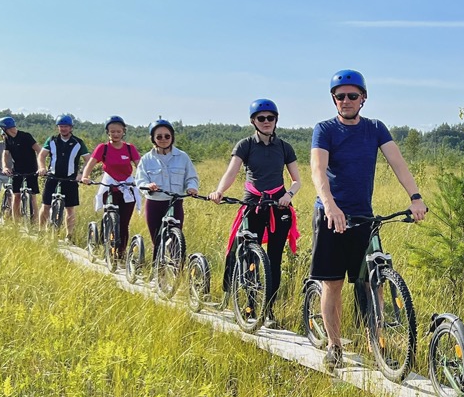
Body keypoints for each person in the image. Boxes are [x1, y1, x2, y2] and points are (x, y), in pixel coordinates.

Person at [309, 70, 426, 371]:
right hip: (332, 216)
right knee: (332, 285)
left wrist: (415, 197)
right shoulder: (325, 129)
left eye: (352, 95)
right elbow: (318, 172)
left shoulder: (375, 128)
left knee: (374, 282)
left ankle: (378, 343)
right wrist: (331, 207)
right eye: (340, 96)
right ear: (333, 100)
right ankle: (335, 346)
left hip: (363, 215)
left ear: (363, 98)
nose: (346, 101)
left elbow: (397, 162)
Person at [208, 99, 301, 328]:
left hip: (278, 204)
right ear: (253, 121)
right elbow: (232, 172)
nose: (266, 122)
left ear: (276, 120)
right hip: (252, 203)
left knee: (275, 260)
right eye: (261, 118)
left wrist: (289, 194)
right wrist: (219, 191)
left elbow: (297, 180)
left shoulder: (284, 147)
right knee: (250, 256)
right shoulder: (245, 145)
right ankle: (250, 308)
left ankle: (269, 311)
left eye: (270, 118)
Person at [80, 116, 141, 264]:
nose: (115, 134)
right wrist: (85, 176)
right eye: (112, 131)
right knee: (110, 213)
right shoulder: (103, 148)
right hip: (110, 185)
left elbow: (140, 165)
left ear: (123, 132)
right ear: (108, 132)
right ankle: (104, 242)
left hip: (127, 185)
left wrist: (146, 180)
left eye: (118, 131)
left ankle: (121, 252)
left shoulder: (129, 148)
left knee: (124, 222)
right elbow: (91, 163)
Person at [136, 119, 199, 259]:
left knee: (176, 240)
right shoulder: (146, 159)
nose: (163, 139)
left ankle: (178, 271)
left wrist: (191, 188)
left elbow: (192, 177)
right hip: (154, 203)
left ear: (172, 137)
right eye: (159, 136)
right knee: (157, 240)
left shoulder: (183, 157)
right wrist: (148, 186)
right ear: (153, 139)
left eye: (167, 136)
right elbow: (140, 179)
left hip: (175, 203)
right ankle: (158, 272)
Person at [39, 114, 89, 239]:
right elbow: (41, 156)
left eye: (66, 126)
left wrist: (81, 174)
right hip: (53, 177)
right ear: (58, 128)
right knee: (45, 205)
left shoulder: (78, 142)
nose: (63, 129)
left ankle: (69, 235)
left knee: (70, 209)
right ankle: (40, 231)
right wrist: (42, 167)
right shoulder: (51, 140)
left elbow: (88, 160)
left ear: (71, 127)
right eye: (61, 126)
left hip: (70, 179)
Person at [0, 116, 42, 223]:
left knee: (32, 197)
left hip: (31, 169)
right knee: (16, 195)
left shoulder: (26, 136)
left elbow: (39, 150)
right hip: (17, 169)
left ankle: (34, 222)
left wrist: (41, 167)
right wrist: (5, 166)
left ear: (4, 128)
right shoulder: (8, 139)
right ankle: (16, 222)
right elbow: (5, 154)